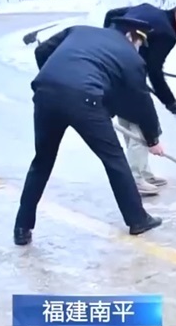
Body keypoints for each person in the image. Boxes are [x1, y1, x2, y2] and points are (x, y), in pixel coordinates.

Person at [15, 17, 166, 246]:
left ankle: (22, 227)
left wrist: (57, 83)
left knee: (42, 161)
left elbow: (42, 51)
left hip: (45, 93)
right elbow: (141, 100)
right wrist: (152, 138)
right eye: (138, 42)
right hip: (85, 98)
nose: (137, 48)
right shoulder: (130, 56)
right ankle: (138, 219)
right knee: (114, 160)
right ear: (130, 36)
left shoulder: (78, 30)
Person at [103, 2, 176, 196]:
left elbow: (112, 13)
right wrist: (169, 101)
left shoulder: (148, 9)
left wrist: (108, 38)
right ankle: (136, 179)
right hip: (125, 74)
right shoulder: (167, 34)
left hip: (112, 68)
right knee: (141, 126)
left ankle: (143, 173)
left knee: (129, 122)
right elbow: (155, 72)